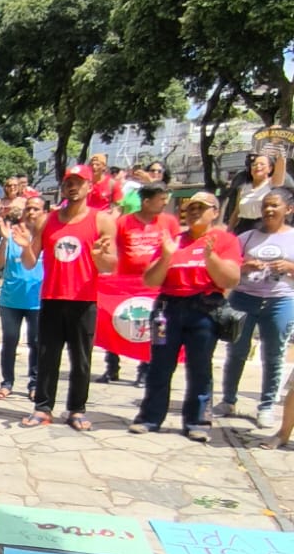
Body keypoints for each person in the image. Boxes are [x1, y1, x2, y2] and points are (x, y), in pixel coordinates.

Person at [130, 192, 242, 442]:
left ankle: (197, 422)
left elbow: (231, 279)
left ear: (215, 212)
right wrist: (167, 256)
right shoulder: (174, 241)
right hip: (167, 311)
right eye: (190, 208)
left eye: (201, 208)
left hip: (204, 311)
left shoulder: (225, 241)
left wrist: (211, 258)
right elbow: (150, 280)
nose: (194, 213)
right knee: (159, 365)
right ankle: (149, 418)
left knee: (200, 368)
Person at [16, 165, 117, 432]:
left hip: (84, 300)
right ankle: (42, 407)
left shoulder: (101, 220)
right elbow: (29, 262)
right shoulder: (47, 220)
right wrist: (25, 245)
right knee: (47, 357)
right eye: (68, 182)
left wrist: (99, 256)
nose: (72, 187)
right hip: (52, 298)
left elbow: (110, 265)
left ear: (89, 186)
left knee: (81, 360)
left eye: (78, 182)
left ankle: (76, 409)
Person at [217, 190, 294, 430]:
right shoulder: (246, 237)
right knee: (236, 351)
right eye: (265, 206)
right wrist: (244, 266)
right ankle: (228, 400)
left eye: (274, 206)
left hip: (280, 301)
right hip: (244, 299)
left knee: (273, 355)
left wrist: (290, 267)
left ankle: (266, 406)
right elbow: (228, 267)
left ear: (288, 209)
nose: (268, 210)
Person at [101, 181, 181, 386]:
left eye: (166, 199)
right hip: (125, 285)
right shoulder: (123, 222)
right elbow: (112, 249)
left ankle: (146, 369)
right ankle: (112, 366)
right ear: (146, 202)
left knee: (153, 329)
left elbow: (176, 250)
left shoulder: (169, 222)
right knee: (116, 322)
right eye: (160, 199)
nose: (165, 203)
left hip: (157, 285)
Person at [0, 198, 44, 401]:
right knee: (10, 341)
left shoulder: (45, 238)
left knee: (36, 343)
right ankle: (7, 383)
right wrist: (4, 240)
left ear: (43, 212)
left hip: (37, 301)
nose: (31, 212)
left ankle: (35, 384)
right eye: (28, 208)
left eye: (36, 209)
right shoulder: (11, 236)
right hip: (11, 301)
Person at [223, 147, 290, 233]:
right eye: (254, 165)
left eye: (262, 164)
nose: (258, 166)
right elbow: (236, 212)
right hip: (242, 227)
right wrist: (229, 230)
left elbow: (280, 172)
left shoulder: (272, 185)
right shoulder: (244, 187)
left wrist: (280, 153)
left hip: (262, 226)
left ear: (270, 169)